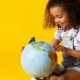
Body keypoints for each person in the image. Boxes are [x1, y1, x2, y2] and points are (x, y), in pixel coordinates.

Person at [31, 0, 80, 80]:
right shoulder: (61, 31)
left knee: (62, 78)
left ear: (72, 13)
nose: (56, 20)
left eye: (60, 17)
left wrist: (67, 50)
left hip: (77, 68)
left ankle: (55, 78)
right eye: (54, 17)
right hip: (65, 66)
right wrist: (31, 49)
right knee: (44, 66)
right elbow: (47, 48)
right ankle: (51, 77)